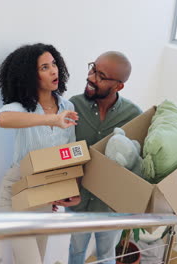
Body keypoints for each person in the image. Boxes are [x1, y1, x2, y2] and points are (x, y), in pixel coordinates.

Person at [53, 51, 143, 264]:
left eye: (101, 76)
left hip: (110, 206)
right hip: (77, 201)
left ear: (119, 86)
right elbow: (61, 151)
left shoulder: (134, 116)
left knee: (106, 255)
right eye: (93, 69)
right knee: (75, 252)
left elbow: (136, 165)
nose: (91, 78)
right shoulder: (73, 106)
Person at [0, 43, 78, 264]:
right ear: (31, 76)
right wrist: (52, 119)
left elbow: (69, 154)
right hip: (17, 192)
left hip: (44, 194)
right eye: (44, 67)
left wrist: (69, 190)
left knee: (36, 257)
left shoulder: (67, 106)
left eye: (55, 64)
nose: (54, 71)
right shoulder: (21, 107)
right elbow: (3, 119)